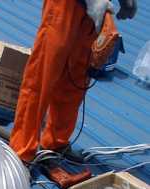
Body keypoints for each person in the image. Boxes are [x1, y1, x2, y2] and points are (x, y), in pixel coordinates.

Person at [10, 0, 137, 162]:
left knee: (76, 76)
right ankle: (22, 152)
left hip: (94, 9)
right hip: (64, 6)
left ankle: (56, 142)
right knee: (43, 76)